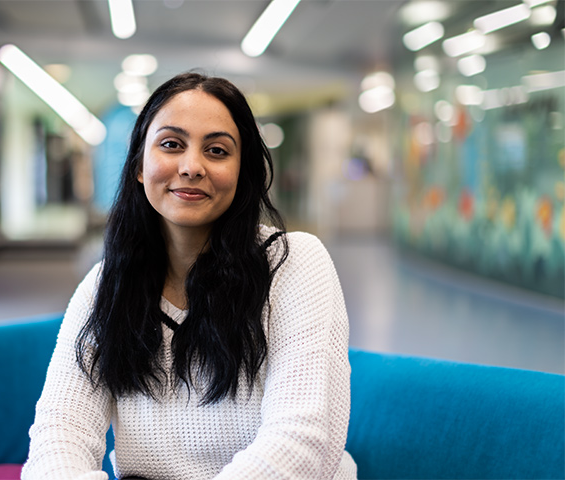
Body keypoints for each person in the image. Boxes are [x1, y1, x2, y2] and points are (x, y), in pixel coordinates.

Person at [22, 72, 357, 480]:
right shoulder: (104, 285)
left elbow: (302, 443)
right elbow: (60, 435)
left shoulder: (294, 264)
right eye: (171, 144)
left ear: (241, 172)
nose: (192, 166)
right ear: (140, 166)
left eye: (217, 151)